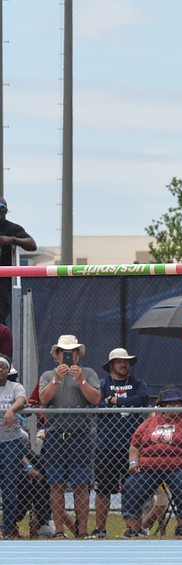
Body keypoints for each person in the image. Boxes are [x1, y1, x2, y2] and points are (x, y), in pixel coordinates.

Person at [121, 385, 182, 537]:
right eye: (170, 403)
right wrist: (133, 462)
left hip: (181, 466)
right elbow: (135, 444)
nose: (174, 406)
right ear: (162, 405)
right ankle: (133, 528)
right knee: (131, 486)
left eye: (177, 403)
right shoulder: (151, 421)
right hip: (149, 467)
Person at [38, 335, 101, 538]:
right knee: (56, 484)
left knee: (81, 484)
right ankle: (59, 531)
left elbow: (95, 399)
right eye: (64, 352)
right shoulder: (48, 375)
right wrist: (57, 379)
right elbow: (44, 399)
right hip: (56, 435)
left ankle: (82, 531)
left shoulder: (88, 373)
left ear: (77, 354)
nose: (68, 356)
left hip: (81, 435)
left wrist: (80, 380)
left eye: (72, 351)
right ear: (57, 354)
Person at [89, 348, 150, 539]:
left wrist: (115, 400)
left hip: (132, 447)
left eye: (126, 362)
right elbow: (98, 405)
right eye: (119, 362)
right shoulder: (102, 384)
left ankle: (133, 529)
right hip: (106, 446)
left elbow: (142, 400)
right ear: (111, 365)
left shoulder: (138, 383)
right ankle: (100, 529)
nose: (124, 365)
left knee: (133, 488)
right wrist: (122, 403)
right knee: (103, 490)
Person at [0, 353, 27, 539]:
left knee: (10, 486)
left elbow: (21, 400)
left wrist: (11, 409)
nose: (0, 370)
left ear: (8, 370)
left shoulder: (15, 386)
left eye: (3, 367)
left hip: (11, 442)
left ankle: (8, 527)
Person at [0, 197, 37, 324]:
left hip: (3, 281)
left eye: (2, 207)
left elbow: (32, 245)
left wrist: (12, 240)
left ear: (6, 210)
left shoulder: (12, 228)